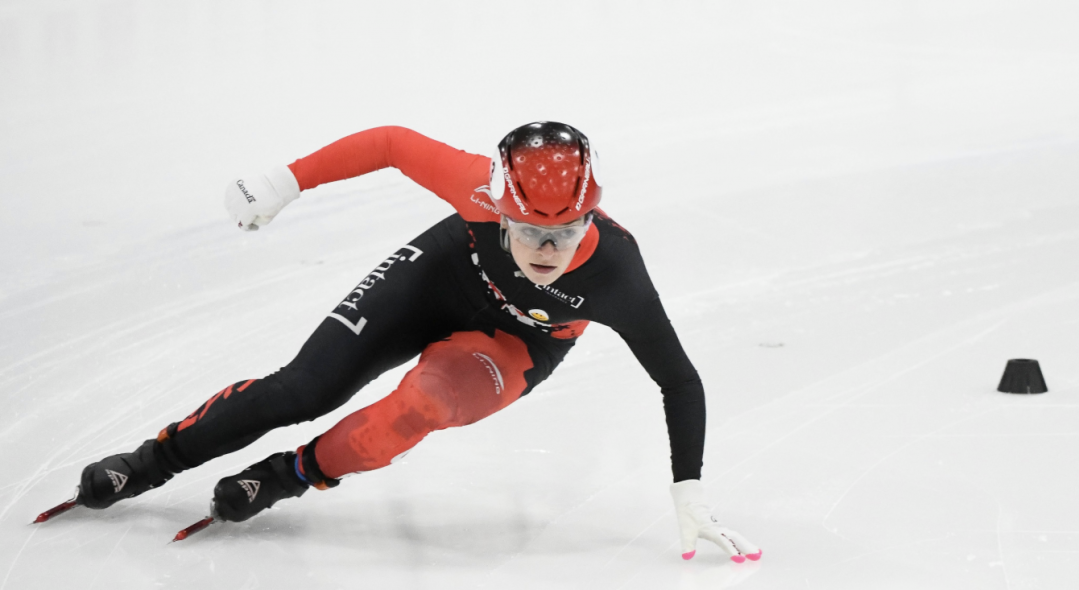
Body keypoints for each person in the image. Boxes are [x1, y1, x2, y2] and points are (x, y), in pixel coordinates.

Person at [72, 122, 761, 562]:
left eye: (567, 231)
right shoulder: (474, 190)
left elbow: (679, 379)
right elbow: (391, 143)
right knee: (303, 389)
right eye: (528, 231)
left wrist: (687, 490)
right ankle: (152, 460)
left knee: (422, 404)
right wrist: (289, 180)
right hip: (438, 275)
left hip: (513, 342)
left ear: (591, 214)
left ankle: (286, 477)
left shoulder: (615, 272)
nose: (547, 250)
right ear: (497, 205)